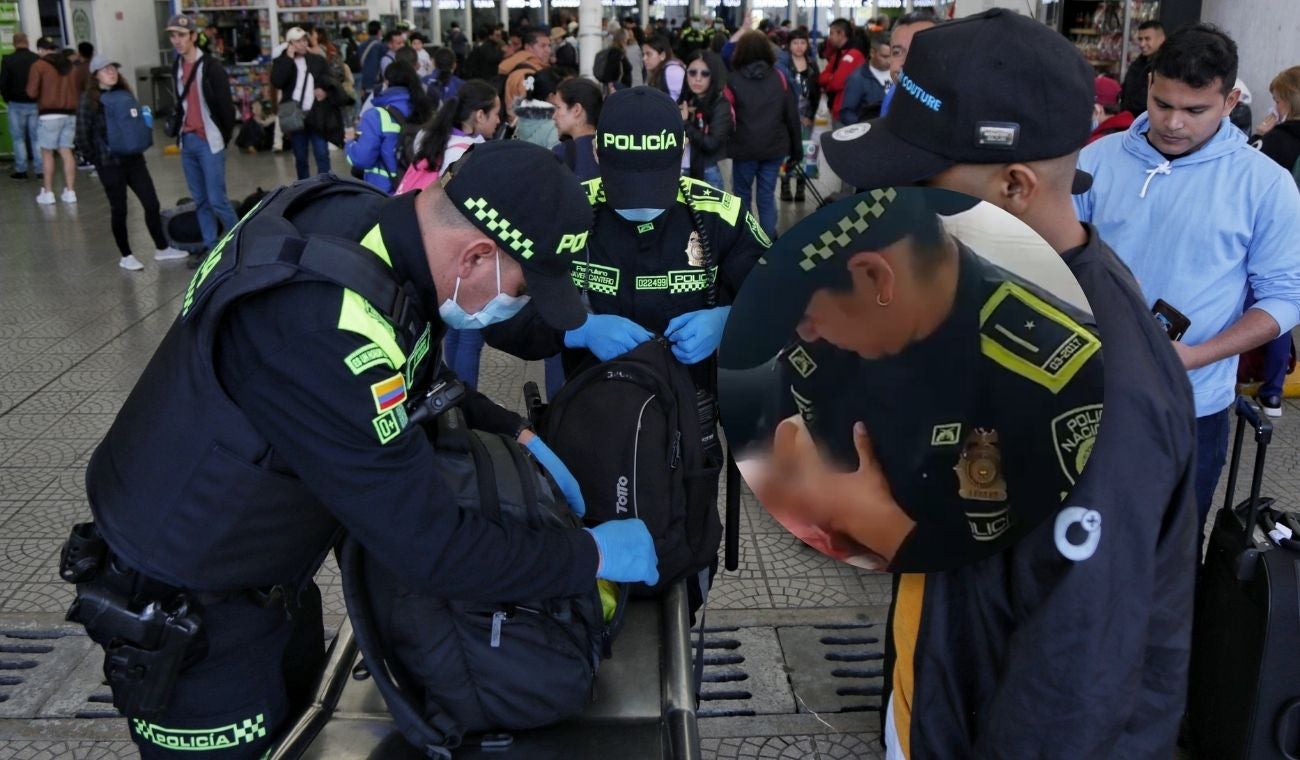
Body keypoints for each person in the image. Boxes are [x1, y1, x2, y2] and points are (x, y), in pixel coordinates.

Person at [65, 140, 657, 760]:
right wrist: (589, 554)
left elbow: (411, 364)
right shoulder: (321, 327)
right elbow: (432, 547)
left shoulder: (367, 222)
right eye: (522, 286)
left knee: (291, 731)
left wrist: (516, 431)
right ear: (477, 254)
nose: (522, 304)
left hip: (264, 571)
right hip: (188, 606)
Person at [821, 8, 1198, 757]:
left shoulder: (1108, 394)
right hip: (933, 695)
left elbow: (1071, 687)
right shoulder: (1000, 285)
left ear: (1015, 185)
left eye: (918, 181)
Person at [483, 87, 767, 612]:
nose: (638, 202)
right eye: (624, 184)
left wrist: (730, 320)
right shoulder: (564, 213)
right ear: (596, 154)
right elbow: (494, 314)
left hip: (689, 431)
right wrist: (576, 330)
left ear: (681, 155)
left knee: (685, 556)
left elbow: (792, 301)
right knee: (586, 558)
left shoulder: (720, 216)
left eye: (652, 185)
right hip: (586, 423)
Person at [719, 188, 1104, 573]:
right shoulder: (825, 350)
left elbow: (1062, 578)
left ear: (874, 277)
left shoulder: (1059, 380)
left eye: (806, 316)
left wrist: (878, 526)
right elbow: (787, 444)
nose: (804, 334)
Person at [1075, 23, 1300, 537]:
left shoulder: (1264, 184)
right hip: (1087, 397)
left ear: (1229, 101)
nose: (1173, 123)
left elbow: (1286, 297)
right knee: (1076, 545)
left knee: (1167, 552)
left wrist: (1197, 356)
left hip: (1191, 406)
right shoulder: (1096, 160)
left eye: (1194, 110)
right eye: (1161, 103)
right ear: (1149, 83)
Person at [403, 80, 501, 383]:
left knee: (449, 332)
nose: (500, 120)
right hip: (458, 249)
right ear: (479, 115)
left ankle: (448, 398)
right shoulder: (472, 151)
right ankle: (461, 405)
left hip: (422, 241)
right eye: (496, 113)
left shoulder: (430, 136)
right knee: (469, 332)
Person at [74, 57, 188, 271]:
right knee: (120, 209)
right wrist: (98, 159)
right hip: (109, 164)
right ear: (95, 74)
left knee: (151, 203)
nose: (111, 72)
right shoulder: (88, 100)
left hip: (134, 160)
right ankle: (126, 255)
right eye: (105, 69)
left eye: (114, 68)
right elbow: (81, 137)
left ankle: (162, 249)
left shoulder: (125, 94)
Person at [1244, 65, 1300, 416]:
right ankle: (1274, 392)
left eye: (1277, 99)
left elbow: (1246, 181)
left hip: (1276, 238)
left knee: (1268, 305)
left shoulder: (1277, 139)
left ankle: (1248, 377)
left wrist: (1260, 136)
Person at [166, 14, 238, 256]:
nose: (177, 40)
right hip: (187, 141)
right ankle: (211, 248)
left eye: (182, 35)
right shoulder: (176, 66)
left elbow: (227, 107)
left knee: (218, 199)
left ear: (194, 37)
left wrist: (222, 136)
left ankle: (239, 244)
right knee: (201, 201)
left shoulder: (211, 67)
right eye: (173, 36)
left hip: (209, 140)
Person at [726, 31, 801, 242]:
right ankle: (767, 241)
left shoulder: (733, 79)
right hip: (773, 148)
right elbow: (792, 115)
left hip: (744, 148)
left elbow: (726, 116)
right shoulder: (780, 77)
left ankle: (745, 239)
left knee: (742, 195)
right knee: (766, 196)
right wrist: (797, 150)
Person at [345, 61, 433, 194]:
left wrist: (349, 143)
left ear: (386, 82)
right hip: (419, 190)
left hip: (384, 192)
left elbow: (362, 159)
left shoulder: (376, 115)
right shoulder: (425, 111)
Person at [272, 26, 340, 180]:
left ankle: (326, 186)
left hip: (317, 113)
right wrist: (288, 58)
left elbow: (331, 81)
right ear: (289, 43)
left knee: (322, 154)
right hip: (296, 115)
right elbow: (277, 81)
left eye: (304, 40)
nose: (302, 44)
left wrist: (325, 92)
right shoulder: (282, 61)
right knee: (300, 157)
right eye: (298, 41)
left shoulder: (317, 59)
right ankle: (304, 188)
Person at [25, 36, 85, 205]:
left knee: (47, 153)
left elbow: (31, 92)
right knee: (66, 151)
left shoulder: (39, 65)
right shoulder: (70, 66)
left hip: (49, 114)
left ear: (41, 50)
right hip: (70, 114)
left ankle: (48, 192)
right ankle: (70, 191)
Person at [777, 29, 819, 202]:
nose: (799, 46)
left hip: (807, 115)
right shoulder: (783, 64)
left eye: (803, 42)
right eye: (795, 42)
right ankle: (785, 186)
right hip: (787, 116)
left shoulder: (812, 64)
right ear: (789, 45)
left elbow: (816, 92)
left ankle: (801, 187)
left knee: (804, 149)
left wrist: (810, 115)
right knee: (786, 151)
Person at [679, 50, 730, 190]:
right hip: (681, 172)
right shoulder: (686, 99)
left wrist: (684, 123)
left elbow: (711, 144)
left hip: (707, 173)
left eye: (705, 73)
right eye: (692, 72)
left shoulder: (720, 104)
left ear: (712, 76)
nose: (698, 78)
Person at [1, 33, 40, 180]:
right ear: (27, 42)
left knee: (18, 139)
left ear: (14, 43)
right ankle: (40, 169)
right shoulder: (36, 59)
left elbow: (3, 84)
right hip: (35, 103)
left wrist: (7, 98)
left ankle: (21, 170)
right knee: (36, 138)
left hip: (16, 104)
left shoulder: (8, 60)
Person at [551, 76, 601, 181]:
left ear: (576, 110)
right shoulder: (612, 148)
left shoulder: (561, 154)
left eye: (558, 107)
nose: (554, 116)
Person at [817, 18, 863, 129]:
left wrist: (831, 79)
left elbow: (836, 83)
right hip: (838, 109)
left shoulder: (852, 55)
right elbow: (821, 77)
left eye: (832, 33)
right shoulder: (839, 53)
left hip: (845, 111)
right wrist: (832, 77)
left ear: (841, 34)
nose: (830, 37)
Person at [838, 32, 890, 125]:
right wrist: (865, 129)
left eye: (893, 55)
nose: (889, 61)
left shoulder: (899, 74)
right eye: (885, 57)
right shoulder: (857, 79)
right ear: (872, 52)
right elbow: (846, 113)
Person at [1121, 20, 1165, 117]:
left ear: (1161, 39)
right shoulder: (1138, 63)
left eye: (1147, 39)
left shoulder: (1165, 66)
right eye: (1140, 39)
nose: (1142, 44)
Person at [643, 35, 685, 102]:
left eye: (649, 54)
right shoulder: (656, 70)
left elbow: (680, 99)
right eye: (643, 54)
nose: (644, 58)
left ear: (662, 55)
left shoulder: (672, 70)